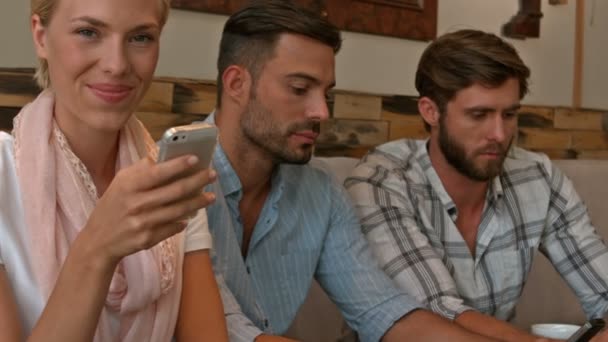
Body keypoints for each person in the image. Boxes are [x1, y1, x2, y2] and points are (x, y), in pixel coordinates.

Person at [204, 1, 500, 341]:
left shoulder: (320, 189)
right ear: (237, 83)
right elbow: (221, 329)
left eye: (326, 93)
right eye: (300, 89)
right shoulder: (174, 175)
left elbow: (380, 310)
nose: (321, 112)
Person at [345, 29, 608, 342]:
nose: (499, 133)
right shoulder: (381, 182)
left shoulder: (538, 177)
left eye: (509, 114)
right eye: (479, 114)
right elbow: (437, 312)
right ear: (430, 111)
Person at [0, 0, 229, 341]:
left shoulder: (167, 177)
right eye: (88, 32)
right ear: (41, 36)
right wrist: (98, 247)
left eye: (140, 38)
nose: (117, 64)